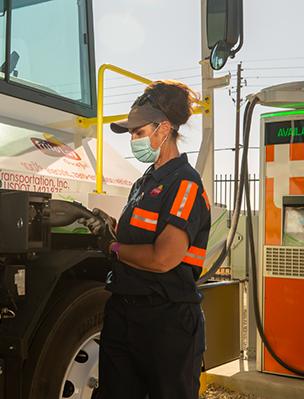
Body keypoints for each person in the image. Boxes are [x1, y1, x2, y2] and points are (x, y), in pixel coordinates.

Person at [79, 80, 211, 399]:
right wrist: (110, 225)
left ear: (164, 128)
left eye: (139, 132)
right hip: (124, 313)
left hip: (166, 321)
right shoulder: (144, 182)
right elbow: (140, 233)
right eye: (132, 134)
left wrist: (112, 247)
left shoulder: (185, 184)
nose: (134, 140)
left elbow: (163, 258)